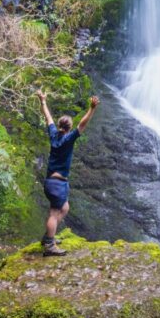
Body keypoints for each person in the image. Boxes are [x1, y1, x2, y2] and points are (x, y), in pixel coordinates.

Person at [36, 89, 99, 256]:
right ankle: (49, 245)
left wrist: (43, 101)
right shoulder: (68, 139)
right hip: (57, 184)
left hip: (53, 183)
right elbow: (83, 124)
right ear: (69, 127)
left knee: (64, 208)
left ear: (59, 126)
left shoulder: (54, 135)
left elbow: (47, 117)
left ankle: (49, 236)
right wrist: (92, 108)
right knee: (55, 212)